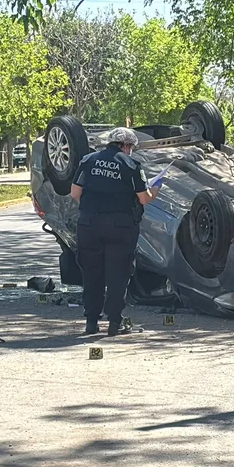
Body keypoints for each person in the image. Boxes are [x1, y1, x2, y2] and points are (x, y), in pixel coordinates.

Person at [70, 127, 162, 336]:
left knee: (92, 273)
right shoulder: (131, 165)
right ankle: (114, 323)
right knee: (118, 274)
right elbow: (144, 199)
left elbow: (75, 192)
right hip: (121, 227)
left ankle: (91, 322)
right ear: (127, 146)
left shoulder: (88, 160)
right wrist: (156, 187)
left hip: (89, 225)